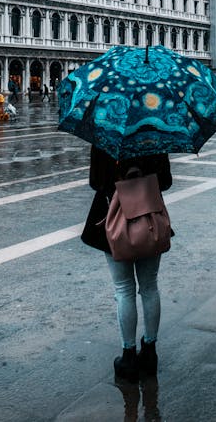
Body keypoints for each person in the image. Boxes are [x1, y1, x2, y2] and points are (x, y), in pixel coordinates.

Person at [82, 146, 172, 382]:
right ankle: (150, 352)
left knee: (124, 289)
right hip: (150, 219)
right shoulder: (154, 130)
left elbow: (96, 182)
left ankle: (128, 355)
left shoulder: (105, 132)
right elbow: (166, 181)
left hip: (114, 224)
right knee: (150, 286)